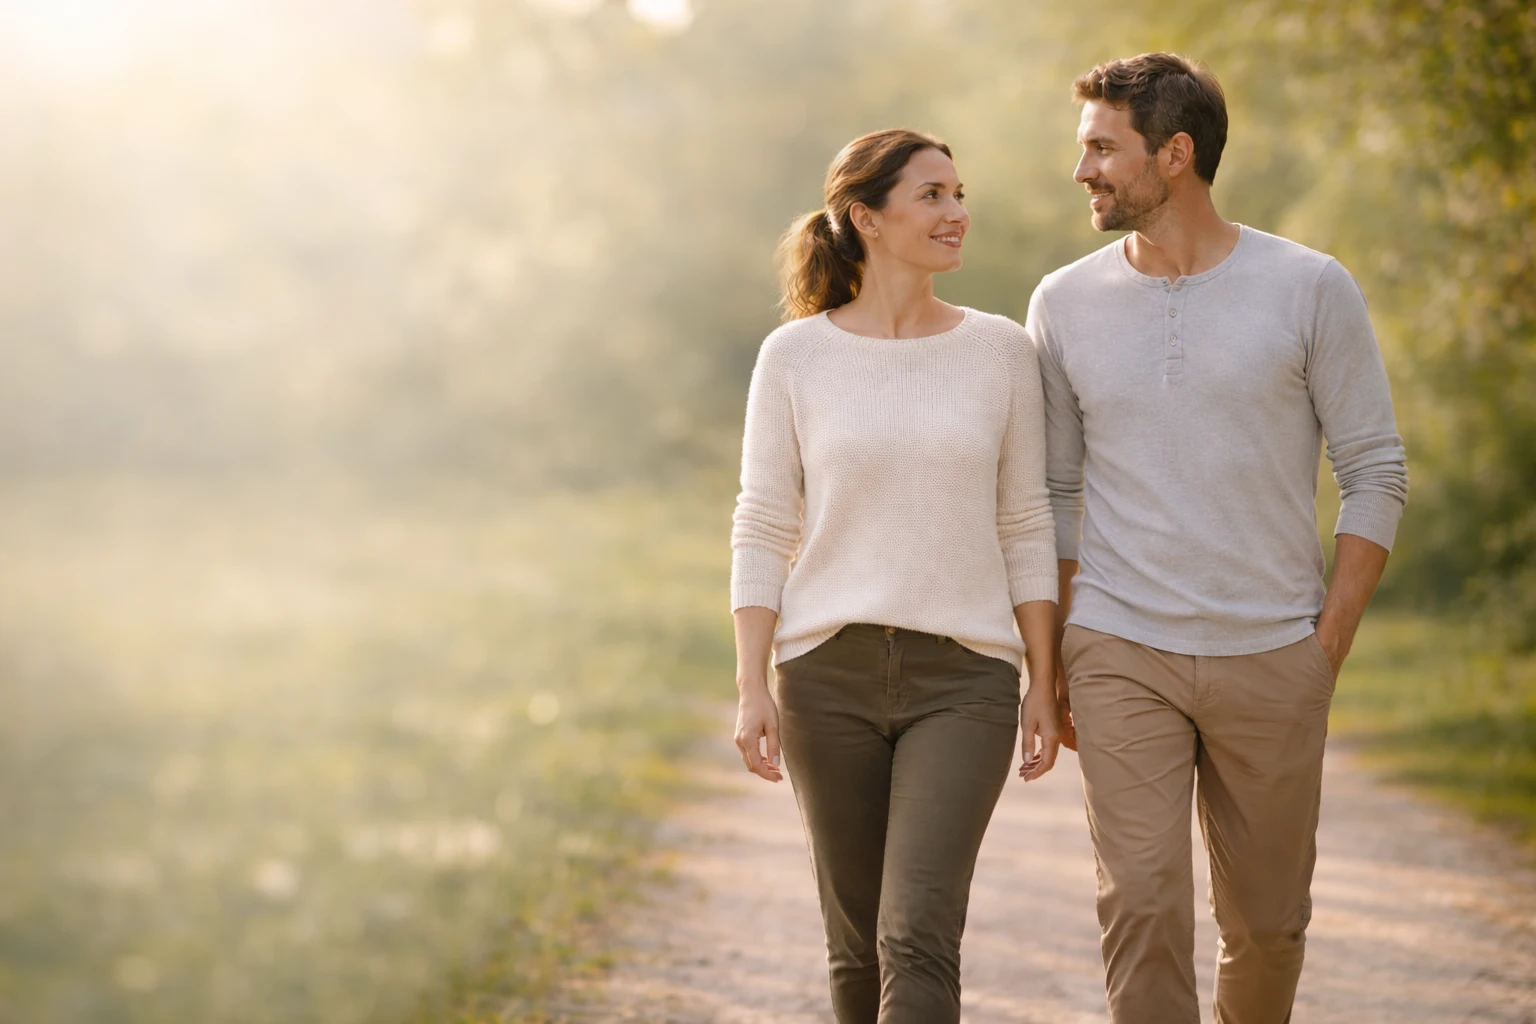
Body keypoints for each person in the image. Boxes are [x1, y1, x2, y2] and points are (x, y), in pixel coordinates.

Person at [1029, 53, 1410, 1023]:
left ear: (1177, 153)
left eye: (1102, 150)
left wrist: (1326, 641)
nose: (1083, 172)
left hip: (1274, 651)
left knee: (1269, 924)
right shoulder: (1062, 303)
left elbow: (1374, 471)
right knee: (1144, 902)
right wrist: (1067, 646)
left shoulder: (1310, 287)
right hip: (1121, 647)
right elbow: (1060, 487)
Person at [729, 128, 1061, 1023]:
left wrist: (1043, 675)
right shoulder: (794, 358)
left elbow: (1025, 519)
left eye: (959, 194)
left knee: (915, 930)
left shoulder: (1000, 353)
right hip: (824, 675)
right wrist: (752, 682)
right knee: (855, 939)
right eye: (933, 196)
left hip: (965, 679)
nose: (957, 213)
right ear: (865, 218)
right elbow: (763, 522)